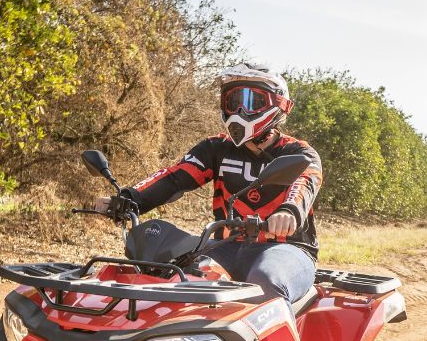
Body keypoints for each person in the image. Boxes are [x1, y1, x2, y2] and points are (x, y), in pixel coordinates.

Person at [96, 63, 322, 305]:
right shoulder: (216, 147)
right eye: (232, 101)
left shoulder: (299, 153)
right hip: (225, 245)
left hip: (287, 249)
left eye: (251, 101)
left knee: (265, 281)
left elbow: (303, 186)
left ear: (278, 105)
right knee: (175, 276)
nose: (239, 110)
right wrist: (129, 199)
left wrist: (288, 212)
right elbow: (174, 177)